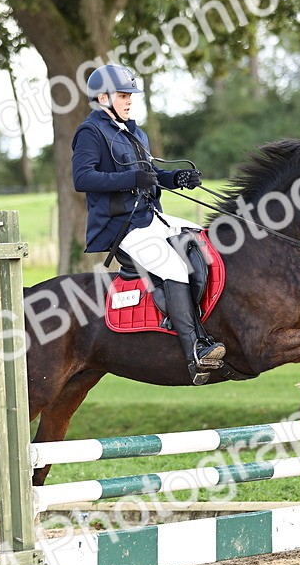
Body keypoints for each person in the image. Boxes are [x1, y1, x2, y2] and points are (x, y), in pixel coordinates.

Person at [71, 63, 226, 385]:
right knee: (173, 267)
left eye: (131, 95)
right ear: (102, 97)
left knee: (204, 246)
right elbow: (82, 178)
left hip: (150, 217)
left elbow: (151, 175)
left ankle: (201, 325)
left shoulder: (134, 131)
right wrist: (130, 178)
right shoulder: (91, 132)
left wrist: (176, 178)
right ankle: (195, 350)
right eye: (123, 95)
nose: (129, 100)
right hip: (121, 226)